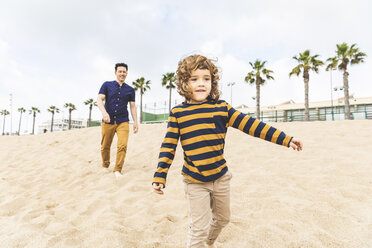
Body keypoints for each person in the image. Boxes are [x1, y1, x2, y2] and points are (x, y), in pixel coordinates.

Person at [152, 54, 303, 248]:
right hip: (195, 181)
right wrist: (160, 176)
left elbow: (252, 125)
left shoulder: (222, 108)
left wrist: (286, 139)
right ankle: (201, 241)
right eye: (194, 79)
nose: (201, 84)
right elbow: (169, 145)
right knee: (198, 228)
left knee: (223, 220)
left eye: (206, 79)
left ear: (212, 82)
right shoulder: (178, 114)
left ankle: (209, 242)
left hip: (221, 177)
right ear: (184, 83)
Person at [97, 63, 138, 178]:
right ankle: (105, 165)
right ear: (115, 73)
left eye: (124, 72)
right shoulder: (107, 85)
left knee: (122, 145)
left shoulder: (130, 90)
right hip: (108, 121)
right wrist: (104, 113)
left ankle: (117, 169)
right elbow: (99, 99)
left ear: (127, 74)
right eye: (120, 71)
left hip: (123, 121)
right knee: (105, 145)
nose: (122, 73)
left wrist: (135, 122)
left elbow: (133, 106)